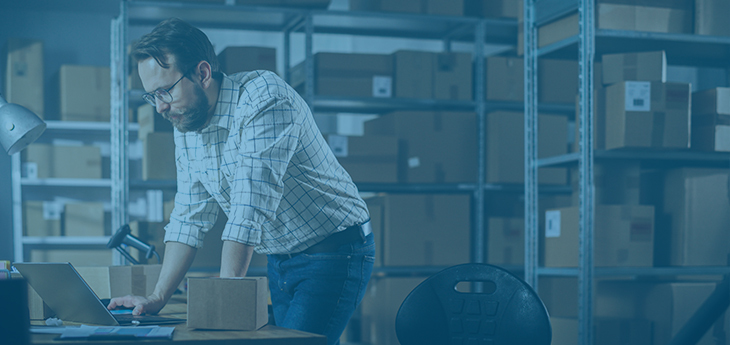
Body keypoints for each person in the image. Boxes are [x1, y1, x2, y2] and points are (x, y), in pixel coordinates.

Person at [107, 18, 374, 345]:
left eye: (165, 91)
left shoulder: (264, 98)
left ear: (202, 74)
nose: (161, 106)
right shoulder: (187, 124)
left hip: (333, 250)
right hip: (280, 258)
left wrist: (225, 300)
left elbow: (249, 206)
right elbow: (189, 217)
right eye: (152, 96)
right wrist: (157, 296)